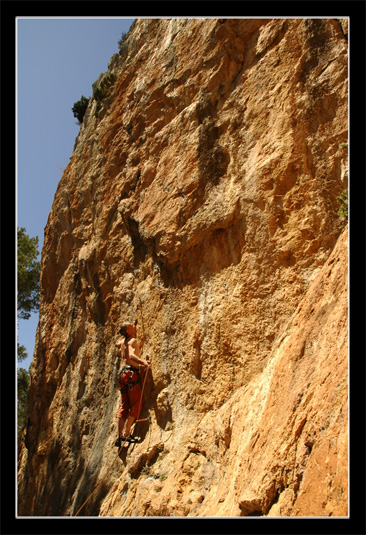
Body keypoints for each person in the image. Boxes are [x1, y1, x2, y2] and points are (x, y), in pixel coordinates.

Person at [114, 321, 151, 447]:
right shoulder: (132, 341)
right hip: (130, 374)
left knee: (125, 405)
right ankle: (127, 433)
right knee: (137, 403)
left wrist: (125, 333)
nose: (134, 325)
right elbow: (131, 355)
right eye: (131, 325)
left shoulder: (122, 342)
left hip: (122, 375)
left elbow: (116, 342)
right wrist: (143, 363)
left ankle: (119, 437)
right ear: (129, 331)